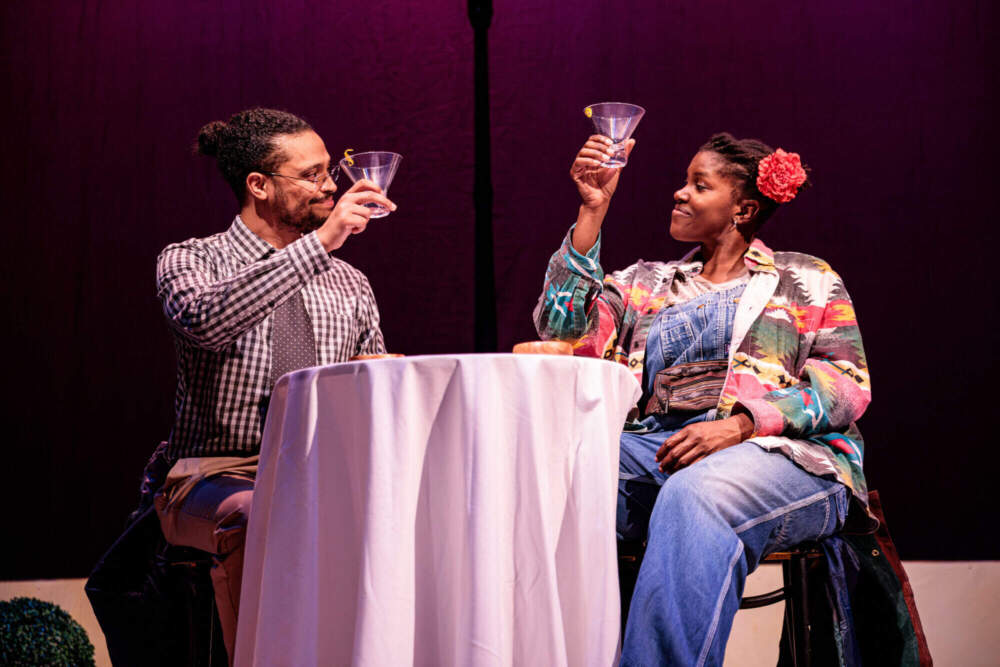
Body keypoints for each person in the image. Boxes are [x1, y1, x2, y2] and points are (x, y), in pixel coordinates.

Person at [534, 132, 876, 665]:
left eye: (699, 185)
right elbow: (561, 330)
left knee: (697, 491)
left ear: (742, 208)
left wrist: (741, 424)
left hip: (785, 458)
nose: (679, 193)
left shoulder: (804, 278)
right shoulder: (647, 284)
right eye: (684, 181)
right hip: (660, 448)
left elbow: (846, 384)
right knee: (548, 471)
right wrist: (591, 213)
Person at [152, 107, 395, 664]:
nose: (331, 184)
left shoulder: (350, 282)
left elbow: (371, 385)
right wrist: (319, 247)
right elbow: (207, 322)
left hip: (317, 474)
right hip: (211, 476)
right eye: (311, 174)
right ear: (258, 186)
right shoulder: (192, 259)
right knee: (260, 512)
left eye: (328, 169)